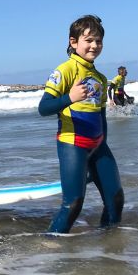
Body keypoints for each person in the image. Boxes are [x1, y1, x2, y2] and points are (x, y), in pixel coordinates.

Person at [38, 15, 123, 233]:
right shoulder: (65, 70)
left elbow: (101, 116)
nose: (94, 45)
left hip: (98, 146)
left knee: (116, 200)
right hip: (73, 144)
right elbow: (44, 108)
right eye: (89, 40)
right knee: (73, 204)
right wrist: (70, 98)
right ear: (73, 42)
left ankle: (111, 244)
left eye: (98, 41)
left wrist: (103, 144)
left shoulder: (100, 78)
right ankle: (51, 244)